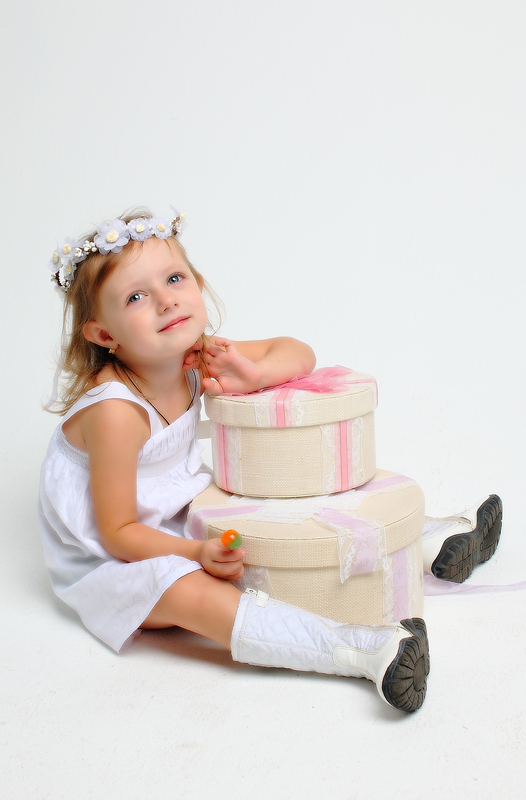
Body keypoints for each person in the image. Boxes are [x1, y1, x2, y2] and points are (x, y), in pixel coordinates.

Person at [38, 207, 499, 714]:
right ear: (105, 335)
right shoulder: (116, 413)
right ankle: (366, 650)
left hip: (176, 510)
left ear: (197, 284)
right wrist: (194, 554)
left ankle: (426, 543)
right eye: (135, 297)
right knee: (196, 594)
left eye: (174, 279)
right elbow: (118, 532)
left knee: (272, 513)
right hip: (111, 559)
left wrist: (252, 374)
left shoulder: (192, 357)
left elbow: (298, 352)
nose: (166, 300)